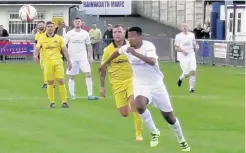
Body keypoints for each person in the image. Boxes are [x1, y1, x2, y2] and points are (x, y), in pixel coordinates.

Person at [99, 27, 190, 151]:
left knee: (169, 117)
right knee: (139, 106)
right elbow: (117, 52)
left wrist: (134, 53)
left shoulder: (148, 46)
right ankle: (154, 132)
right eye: (129, 37)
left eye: (133, 36)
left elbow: (152, 61)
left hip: (156, 84)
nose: (130, 39)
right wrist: (105, 63)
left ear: (140, 37)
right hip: (140, 84)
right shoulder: (126, 48)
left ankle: (181, 140)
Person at [100, 24, 143, 141]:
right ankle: (130, 105)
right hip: (117, 83)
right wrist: (102, 87)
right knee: (124, 113)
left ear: (124, 33)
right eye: (115, 32)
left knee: (134, 103)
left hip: (132, 80)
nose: (117, 34)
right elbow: (103, 69)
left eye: (119, 32)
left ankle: (138, 134)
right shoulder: (107, 50)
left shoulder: (132, 46)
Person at [33, 21, 72, 108]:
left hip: (58, 62)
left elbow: (65, 50)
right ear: (46, 28)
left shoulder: (59, 38)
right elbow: (37, 48)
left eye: (51, 27)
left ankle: (64, 101)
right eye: (48, 27)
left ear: (54, 28)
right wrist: (35, 55)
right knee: (50, 82)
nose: (50, 28)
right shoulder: (42, 38)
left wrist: (69, 61)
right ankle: (52, 102)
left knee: (61, 81)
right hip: (47, 62)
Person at [64, 18, 99, 100]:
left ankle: (90, 95)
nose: (77, 23)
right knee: (71, 76)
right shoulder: (69, 34)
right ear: (73, 23)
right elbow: (63, 46)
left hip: (83, 58)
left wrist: (90, 56)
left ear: (81, 23)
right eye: (76, 21)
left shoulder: (85, 33)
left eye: (79, 21)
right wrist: (67, 58)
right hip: (72, 58)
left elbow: (89, 45)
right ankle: (72, 95)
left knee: (88, 74)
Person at [175, 23, 198, 93]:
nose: (184, 28)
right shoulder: (178, 36)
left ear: (188, 27)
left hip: (191, 55)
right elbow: (176, 47)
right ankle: (180, 79)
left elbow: (194, 44)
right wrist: (183, 51)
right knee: (186, 73)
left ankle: (191, 88)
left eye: (186, 26)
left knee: (193, 71)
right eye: (183, 26)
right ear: (181, 28)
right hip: (182, 56)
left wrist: (196, 46)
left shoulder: (192, 35)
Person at [34, 21, 52, 89]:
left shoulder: (47, 33)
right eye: (39, 25)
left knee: (47, 68)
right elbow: (36, 44)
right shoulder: (37, 34)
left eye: (41, 25)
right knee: (44, 68)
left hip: (49, 53)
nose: (40, 26)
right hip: (41, 53)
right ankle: (47, 82)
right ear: (37, 26)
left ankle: (48, 83)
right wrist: (35, 54)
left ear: (44, 25)